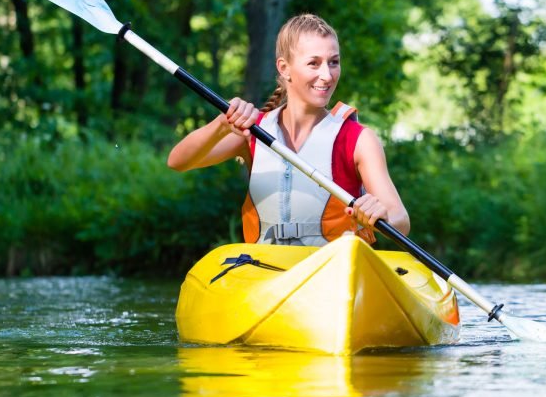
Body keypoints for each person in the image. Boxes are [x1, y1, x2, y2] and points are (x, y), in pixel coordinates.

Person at [167, 13, 409, 246]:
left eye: (333, 62)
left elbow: (401, 221)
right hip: (266, 270)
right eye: (314, 63)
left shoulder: (358, 139)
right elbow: (178, 161)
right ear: (284, 68)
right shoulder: (254, 131)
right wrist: (220, 125)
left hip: (332, 275)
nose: (327, 75)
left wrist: (382, 216)